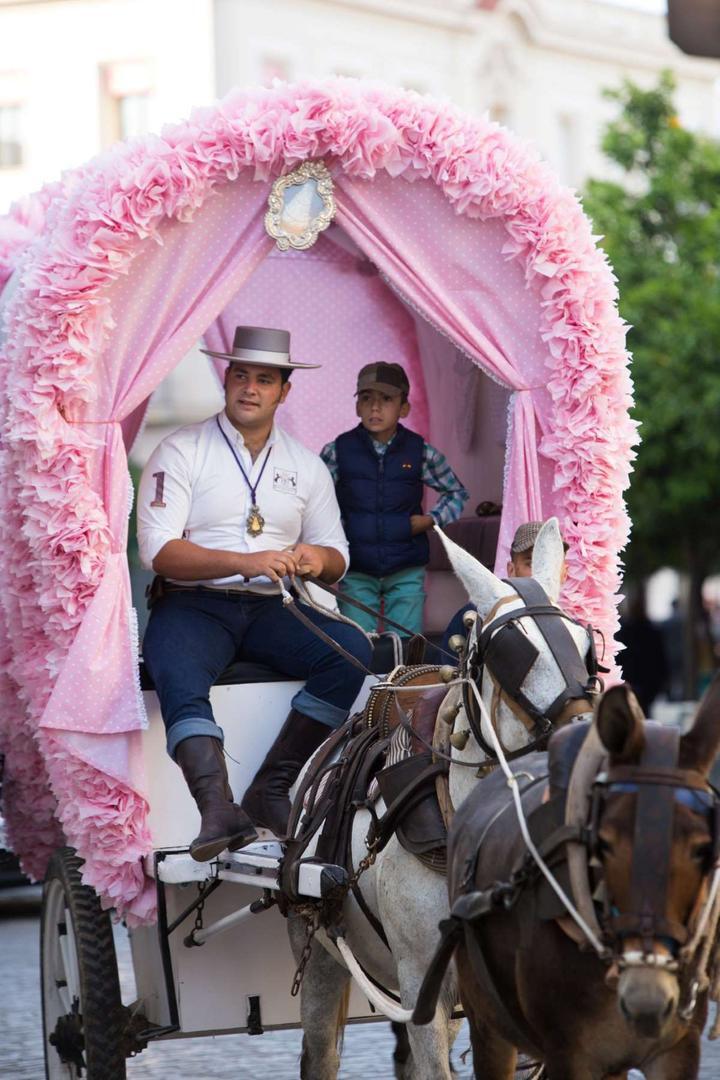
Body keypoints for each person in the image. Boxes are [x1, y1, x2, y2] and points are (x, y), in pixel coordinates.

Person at [137, 326, 372, 859]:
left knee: (351, 652)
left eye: (264, 379)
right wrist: (247, 562)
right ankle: (217, 809)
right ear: (227, 380)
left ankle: (271, 787)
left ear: (283, 391)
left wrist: (316, 560)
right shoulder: (182, 449)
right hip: (192, 604)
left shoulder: (306, 464)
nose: (250, 388)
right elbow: (157, 550)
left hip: (275, 606)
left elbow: (337, 553)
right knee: (174, 665)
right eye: (240, 375)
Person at [320, 362, 468, 637]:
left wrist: (429, 521)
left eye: (386, 399)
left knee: (405, 644)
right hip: (356, 567)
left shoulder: (420, 452)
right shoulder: (338, 451)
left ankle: (400, 680)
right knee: (357, 642)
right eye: (366, 399)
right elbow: (315, 499)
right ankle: (363, 682)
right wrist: (336, 529)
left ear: (404, 408)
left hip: (406, 568)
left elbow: (456, 493)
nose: (375, 408)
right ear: (357, 407)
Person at [440, 520, 569, 655]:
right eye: (531, 563)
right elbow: (448, 672)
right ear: (511, 570)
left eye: (551, 565)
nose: (542, 573)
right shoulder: (475, 615)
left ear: (564, 573)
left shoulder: (573, 630)